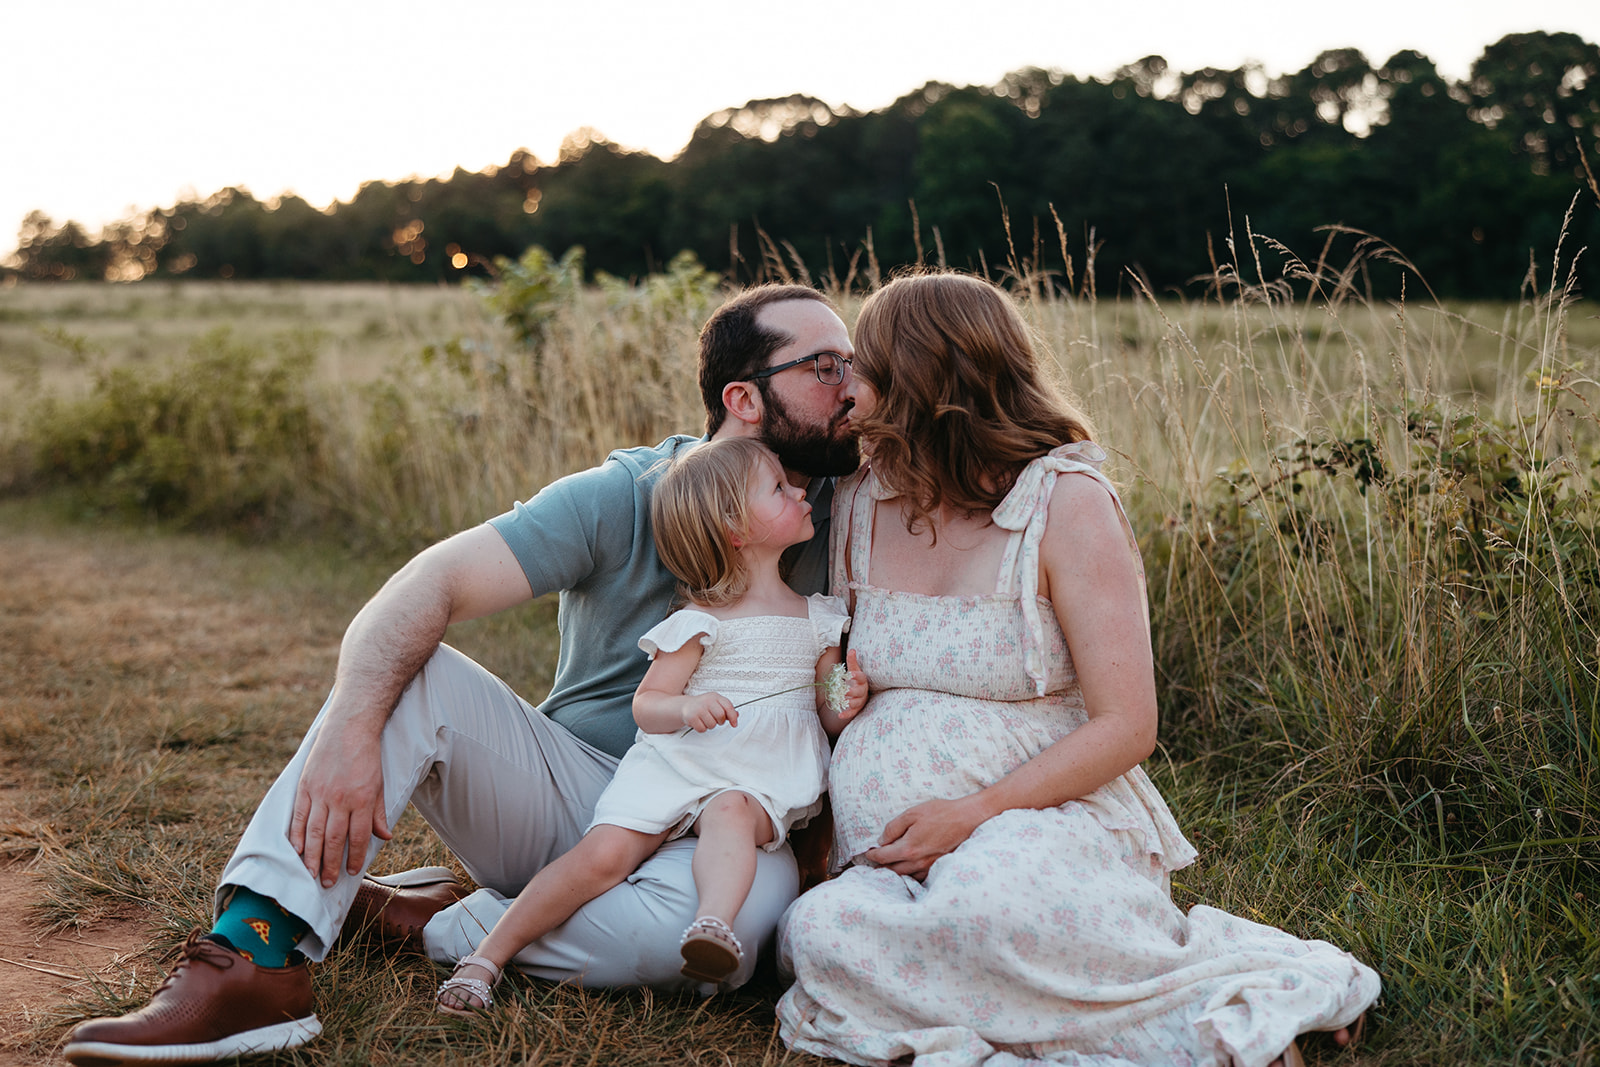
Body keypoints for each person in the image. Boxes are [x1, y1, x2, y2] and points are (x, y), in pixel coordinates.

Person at [62, 284, 861, 1065]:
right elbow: (427, 584)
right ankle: (255, 954)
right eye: (826, 366)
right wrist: (350, 728)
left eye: (855, 364)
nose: (854, 387)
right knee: (416, 671)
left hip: (734, 820)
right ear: (744, 399)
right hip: (582, 800)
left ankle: (433, 925)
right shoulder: (627, 494)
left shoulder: (853, 509)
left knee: (692, 948)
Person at [776, 272, 1380, 1067]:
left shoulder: (1066, 502)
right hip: (890, 852)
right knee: (818, 934)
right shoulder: (860, 496)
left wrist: (972, 811)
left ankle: (1210, 1018)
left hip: (1035, 819)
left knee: (995, 906)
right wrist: (832, 702)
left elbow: (1129, 724)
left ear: (924, 381)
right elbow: (835, 660)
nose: (850, 386)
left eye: (867, 366)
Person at [433, 437, 869, 1013]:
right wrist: (687, 709)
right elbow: (649, 704)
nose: (801, 494)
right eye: (780, 490)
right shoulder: (698, 621)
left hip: (758, 777)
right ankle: (485, 958)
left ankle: (711, 927)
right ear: (736, 529)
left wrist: (848, 693)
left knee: (729, 812)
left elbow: (826, 706)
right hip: (682, 763)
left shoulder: (817, 616)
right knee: (600, 856)